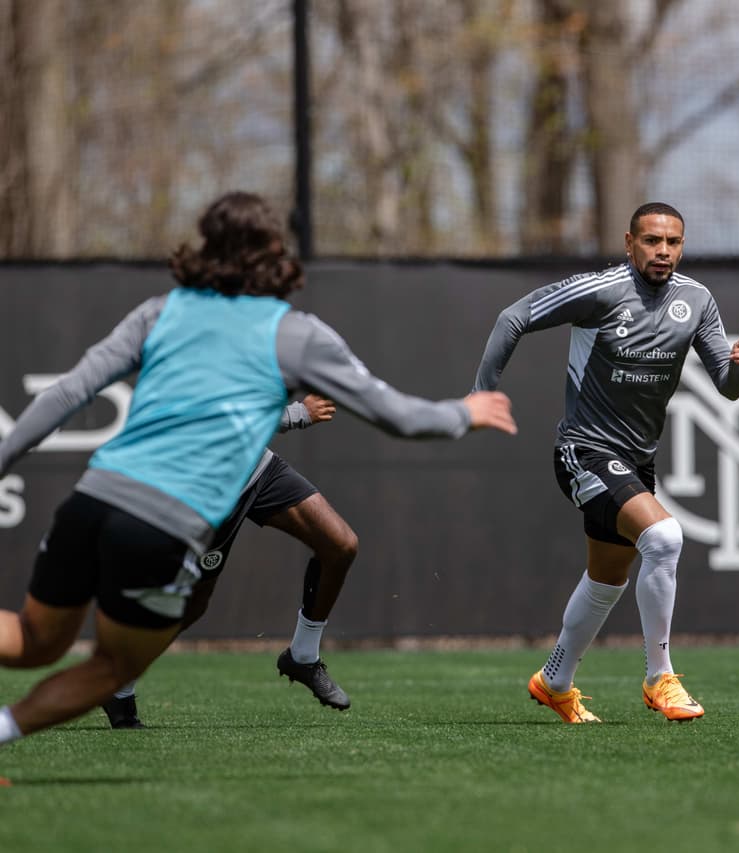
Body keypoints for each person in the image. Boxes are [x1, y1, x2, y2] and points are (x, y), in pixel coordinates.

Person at [0, 192, 516, 763]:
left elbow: (69, 392)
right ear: (276, 254)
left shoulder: (161, 310)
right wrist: (463, 414)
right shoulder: (295, 333)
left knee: (32, 639)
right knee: (112, 667)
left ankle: (302, 653)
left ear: (205, 247)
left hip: (91, 499)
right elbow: (399, 416)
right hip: (161, 522)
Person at [473, 202, 739, 723]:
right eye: (651, 241)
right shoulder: (600, 291)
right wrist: (479, 397)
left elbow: (728, 386)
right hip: (583, 450)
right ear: (629, 243)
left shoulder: (696, 300)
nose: (663, 252)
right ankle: (660, 678)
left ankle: (554, 680)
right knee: (665, 538)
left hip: (636, 461)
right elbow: (512, 317)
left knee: (607, 579)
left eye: (672, 242)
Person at [100, 394, 357, 729]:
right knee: (192, 604)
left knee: (340, 544)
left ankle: (303, 656)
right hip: (211, 486)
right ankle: (119, 682)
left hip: (258, 469)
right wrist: (295, 414)